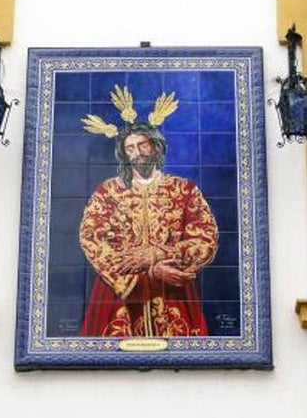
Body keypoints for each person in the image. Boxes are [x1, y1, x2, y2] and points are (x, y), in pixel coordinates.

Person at [78, 89, 219, 338]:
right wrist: (147, 276)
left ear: (155, 146)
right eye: (130, 148)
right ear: (124, 155)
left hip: (173, 291)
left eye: (143, 145)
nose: (138, 152)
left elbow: (206, 237)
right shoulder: (108, 192)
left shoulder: (184, 190)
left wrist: (159, 253)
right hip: (120, 296)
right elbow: (93, 238)